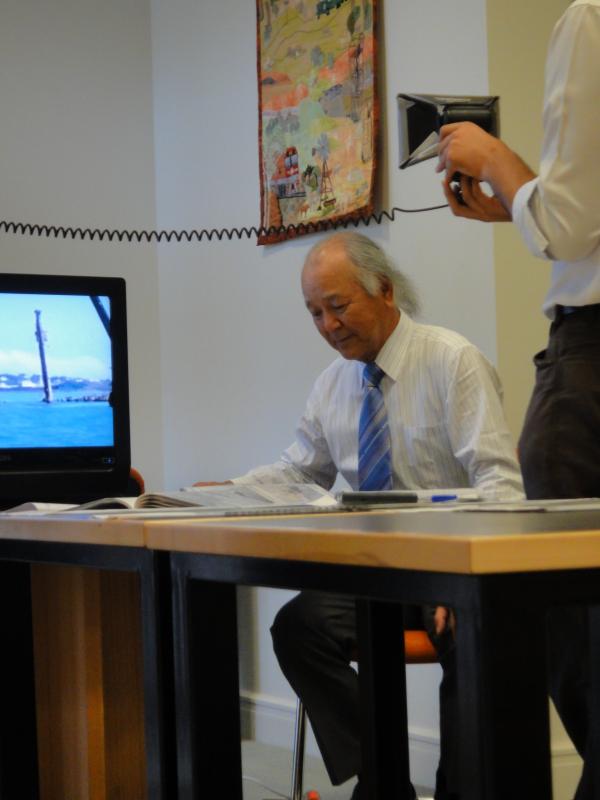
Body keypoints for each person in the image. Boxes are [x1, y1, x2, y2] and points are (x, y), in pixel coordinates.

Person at [227, 231, 523, 800]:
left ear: (384, 290)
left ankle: (461, 790)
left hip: (449, 564)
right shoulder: (333, 383)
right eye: (315, 313)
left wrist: (470, 577)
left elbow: (499, 481)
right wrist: (221, 493)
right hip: (376, 570)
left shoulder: (452, 360)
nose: (328, 325)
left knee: (473, 635)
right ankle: (383, 778)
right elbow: (299, 472)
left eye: (338, 306)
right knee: (298, 628)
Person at [436, 3, 600, 797]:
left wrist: (493, 156)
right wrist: (525, 201)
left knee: (576, 624)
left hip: (592, 362)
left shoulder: (590, 19)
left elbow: (568, 228)